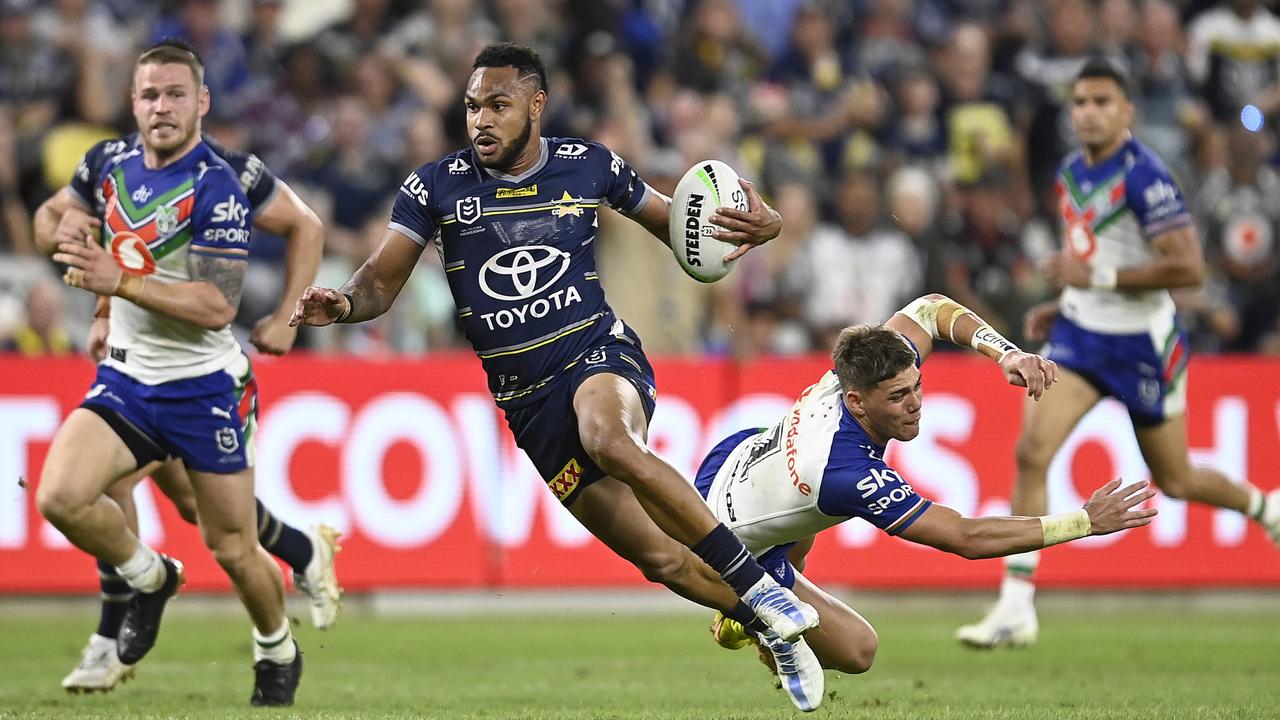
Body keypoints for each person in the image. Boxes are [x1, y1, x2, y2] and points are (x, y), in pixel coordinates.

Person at [291, 42, 822, 708]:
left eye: (498, 105)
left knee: (610, 439)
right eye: (472, 106)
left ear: (536, 106)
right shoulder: (437, 186)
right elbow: (379, 283)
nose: (480, 119)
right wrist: (341, 303)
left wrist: (755, 227)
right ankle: (773, 626)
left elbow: (687, 234)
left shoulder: (589, 165)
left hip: (597, 352)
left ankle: (757, 586)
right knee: (661, 560)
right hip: (529, 403)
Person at [32, 45, 337, 693]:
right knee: (61, 496)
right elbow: (50, 218)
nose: (160, 107)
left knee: (229, 543)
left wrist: (122, 284)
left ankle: (276, 649)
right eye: (149, 95)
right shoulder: (106, 163)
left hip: (203, 391)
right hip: (127, 380)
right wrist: (63, 234)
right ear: (132, 101)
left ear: (202, 102)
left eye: (175, 94)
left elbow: (215, 304)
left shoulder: (221, 183)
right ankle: (148, 580)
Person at [956, 58, 1280, 649]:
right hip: (1081, 337)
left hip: (1140, 347)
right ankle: (1015, 605)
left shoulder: (1146, 176)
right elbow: (1091, 252)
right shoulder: (1069, 172)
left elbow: (1188, 266)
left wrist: (1093, 278)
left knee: (1176, 479)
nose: (1088, 112)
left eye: (1102, 101)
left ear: (1127, 111)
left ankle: (1265, 506)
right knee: (1031, 451)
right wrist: (1068, 299)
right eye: (1080, 102)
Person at [701, 293, 1156, 710]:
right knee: (860, 650)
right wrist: (1082, 522)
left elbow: (929, 309)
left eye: (916, 386)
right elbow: (964, 537)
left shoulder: (859, 373)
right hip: (729, 543)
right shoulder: (847, 471)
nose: (916, 403)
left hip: (734, 461)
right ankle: (756, 619)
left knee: (806, 521)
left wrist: (1007, 353)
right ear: (857, 402)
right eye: (899, 397)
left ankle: (755, 610)